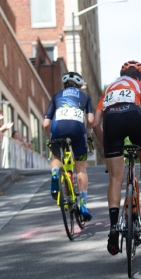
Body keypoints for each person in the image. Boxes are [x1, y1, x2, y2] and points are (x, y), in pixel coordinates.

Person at [92, 60, 141, 256]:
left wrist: (107, 147)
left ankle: (114, 227)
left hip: (112, 121)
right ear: (139, 77)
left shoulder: (109, 89)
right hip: (134, 116)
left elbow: (95, 123)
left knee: (116, 178)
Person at [43, 72, 95, 221]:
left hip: (57, 128)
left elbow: (45, 123)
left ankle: (54, 173)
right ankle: (83, 204)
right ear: (79, 85)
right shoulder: (85, 96)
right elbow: (90, 120)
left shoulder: (56, 96)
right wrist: (89, 135)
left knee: (57, 156)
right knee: (81, 167)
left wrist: (50, 140)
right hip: (77, 129)